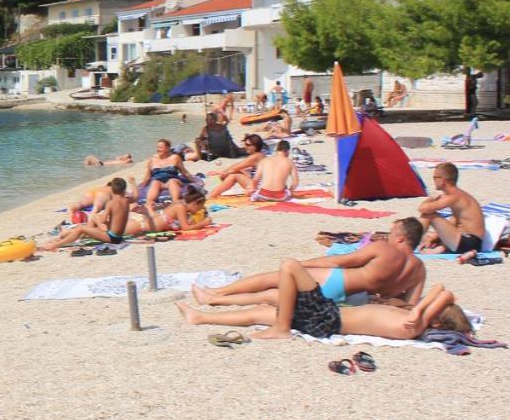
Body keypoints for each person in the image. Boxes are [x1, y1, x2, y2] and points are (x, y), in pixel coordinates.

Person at [176, 261, 467, 341]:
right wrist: (428, 305)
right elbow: (443, 291)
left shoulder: (413, 324)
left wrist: (428, 308)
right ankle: (202, 314)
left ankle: (280, 329)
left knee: (288, 270)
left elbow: (445, 293)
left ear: (438, 319)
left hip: (327, 321)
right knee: (266, 308)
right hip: (330, 315)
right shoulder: (413, 318)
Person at [192, 218, 426, 308]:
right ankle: (214, 300)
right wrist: (385, 300)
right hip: (355, 301)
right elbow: (410, 305)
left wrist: (303, 264)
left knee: (273, 279)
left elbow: (338, 261)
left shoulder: (384, 250)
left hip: (339, 282)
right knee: (270, 297)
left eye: (391, 232)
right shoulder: (419, 271)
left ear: (401, 238)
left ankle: (215, 293)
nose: (386, 236)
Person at [41, 178, 130, 251]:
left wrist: (102, 222)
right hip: (118, 236)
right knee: (94, 218)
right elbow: (136, 196)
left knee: (80, 228)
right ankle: (76, 235)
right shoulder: (126, 201)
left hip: (112, 238)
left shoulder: (111, 203)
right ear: (124, 190)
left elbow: (103, 220)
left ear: (112, 190)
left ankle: (56, 245)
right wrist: (133, 183)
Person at [417, 162, 486, 255]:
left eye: (435, 177)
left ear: (444, 180)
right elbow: (454, 222)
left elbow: (423, 209)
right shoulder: (460, 195)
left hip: (469, 242)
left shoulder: (454, 197)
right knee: (434, 231)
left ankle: (410, 244)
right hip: (471, 242)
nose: (433, 180)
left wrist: (431, 199)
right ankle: (437, 247)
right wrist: (435, 237)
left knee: (429, 215)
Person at [121, 190, 212, 236]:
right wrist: (203, 223)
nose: (199, 210)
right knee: (113, 233)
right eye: (200, 207)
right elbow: (186, 228)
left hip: (143, 221)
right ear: (195, 204)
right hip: (140, 225)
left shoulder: (180, 204)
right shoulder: (181, 207)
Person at [206, 134, 266, 198]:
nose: (245, 146)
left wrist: (221, 173)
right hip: (263, 186)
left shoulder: (255, 156)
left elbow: (235, 168)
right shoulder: (260, 155)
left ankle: (212, 195)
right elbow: (238, 167)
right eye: (245, 144)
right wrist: (225, 173)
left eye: (248, 145)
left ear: (255, 146)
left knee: (234, 175)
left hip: (260, 189)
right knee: (239, 171)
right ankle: (214, 194)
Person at [139, 139, 188, 211]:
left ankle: (175, 203)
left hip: (173, 180)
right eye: (157, 147)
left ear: (167, 148)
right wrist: (141, 188)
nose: (158, 149)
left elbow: (184, 172)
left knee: (172, 181)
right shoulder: (153, 159)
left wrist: (193, 180)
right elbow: (147, 177)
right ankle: (149, 204)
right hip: (159, 182)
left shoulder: (175, 158)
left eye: (160, 147)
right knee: (155, 182)